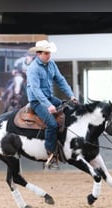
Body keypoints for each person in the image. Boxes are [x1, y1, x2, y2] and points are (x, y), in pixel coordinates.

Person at [26, 40, 78, 169]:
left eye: (49, 53)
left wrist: (71, 95)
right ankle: (51, 153)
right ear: (39, 54)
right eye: (46, 53)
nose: (49, 55)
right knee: (52, 124)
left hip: (49, 97)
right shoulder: (33, 69)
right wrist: (48, 105)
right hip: (37, 101)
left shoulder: (51, 64)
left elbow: (60, 80)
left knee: (68, 110)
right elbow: (36, 90)